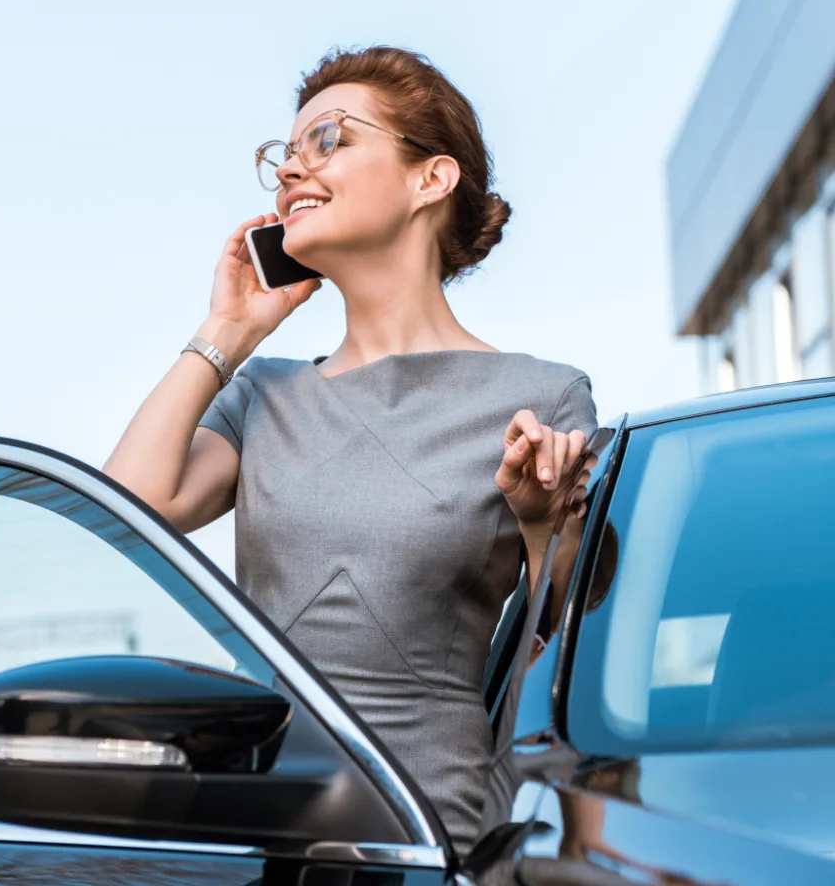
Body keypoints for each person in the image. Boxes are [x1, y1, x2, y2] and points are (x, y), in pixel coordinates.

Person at [103, 45, 597, 854]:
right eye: (285, 156)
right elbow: (132, 509)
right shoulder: (263, 393)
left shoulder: (541, 398)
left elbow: (570, 642)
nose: (294, 169)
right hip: (259, 833)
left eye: (328, 139)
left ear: (430, 179)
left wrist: (543, 528)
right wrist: (228, 332)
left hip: (433, 837)